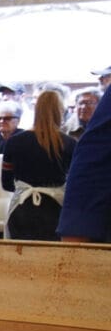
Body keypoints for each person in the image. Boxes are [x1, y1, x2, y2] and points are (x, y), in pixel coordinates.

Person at [1, 90, 75, 241]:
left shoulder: (14, 142)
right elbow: (74, 184)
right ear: (60, 112)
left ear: (36, 110)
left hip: (22, 209)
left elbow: (6, 183)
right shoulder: (69, 143)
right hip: (56, 211)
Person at [58, 87, 111, 242]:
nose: (83, 107)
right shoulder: (66, 134)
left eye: (89, 103)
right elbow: (93, 161)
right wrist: (76, 225)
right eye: (81, 103)